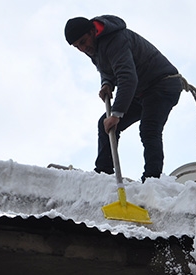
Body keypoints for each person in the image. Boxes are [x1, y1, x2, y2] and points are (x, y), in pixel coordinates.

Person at [64, 15, 182, 182]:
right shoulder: (94, 47)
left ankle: (152, 180)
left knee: (149, 129)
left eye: (83, 42)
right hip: (141, 91)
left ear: (93, 31)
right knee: (104, 124)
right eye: (77, 47)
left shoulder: (116, 40)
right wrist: (107, 83)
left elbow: (127, 77)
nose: (82, 49)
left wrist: (117, 114)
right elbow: (108, 69)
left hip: (162, 84)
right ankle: (103, 173)